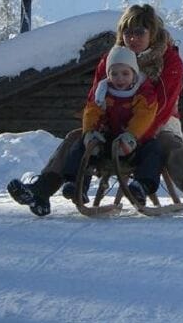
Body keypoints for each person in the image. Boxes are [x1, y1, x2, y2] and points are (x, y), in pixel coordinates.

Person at [8, 4, 183, 217]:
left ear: (152, 32)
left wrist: (132, 137)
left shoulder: (168, 61)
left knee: (168, 143)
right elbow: (95, 99)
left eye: (139, 32)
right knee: (75, 139)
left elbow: (161, 106)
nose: (133, 38)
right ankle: (41, 190)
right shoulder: (112, 59)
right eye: (127, 32)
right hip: (112, 123)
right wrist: (92, 131)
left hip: (156, 123)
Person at [10, 46, 163, 215]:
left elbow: (144, 115)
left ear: (134, 73)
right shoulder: (103, 91)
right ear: (108, 75)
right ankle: (75, 184)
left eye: (125, 73)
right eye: (114, 74)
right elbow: (92, 111)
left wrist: (132, 135)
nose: (120, 78)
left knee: (153, 149)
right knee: (81, 144)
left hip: (135, 142)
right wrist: (90, 132)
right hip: (108, 140)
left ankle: (141, 186)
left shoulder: (143, 91)